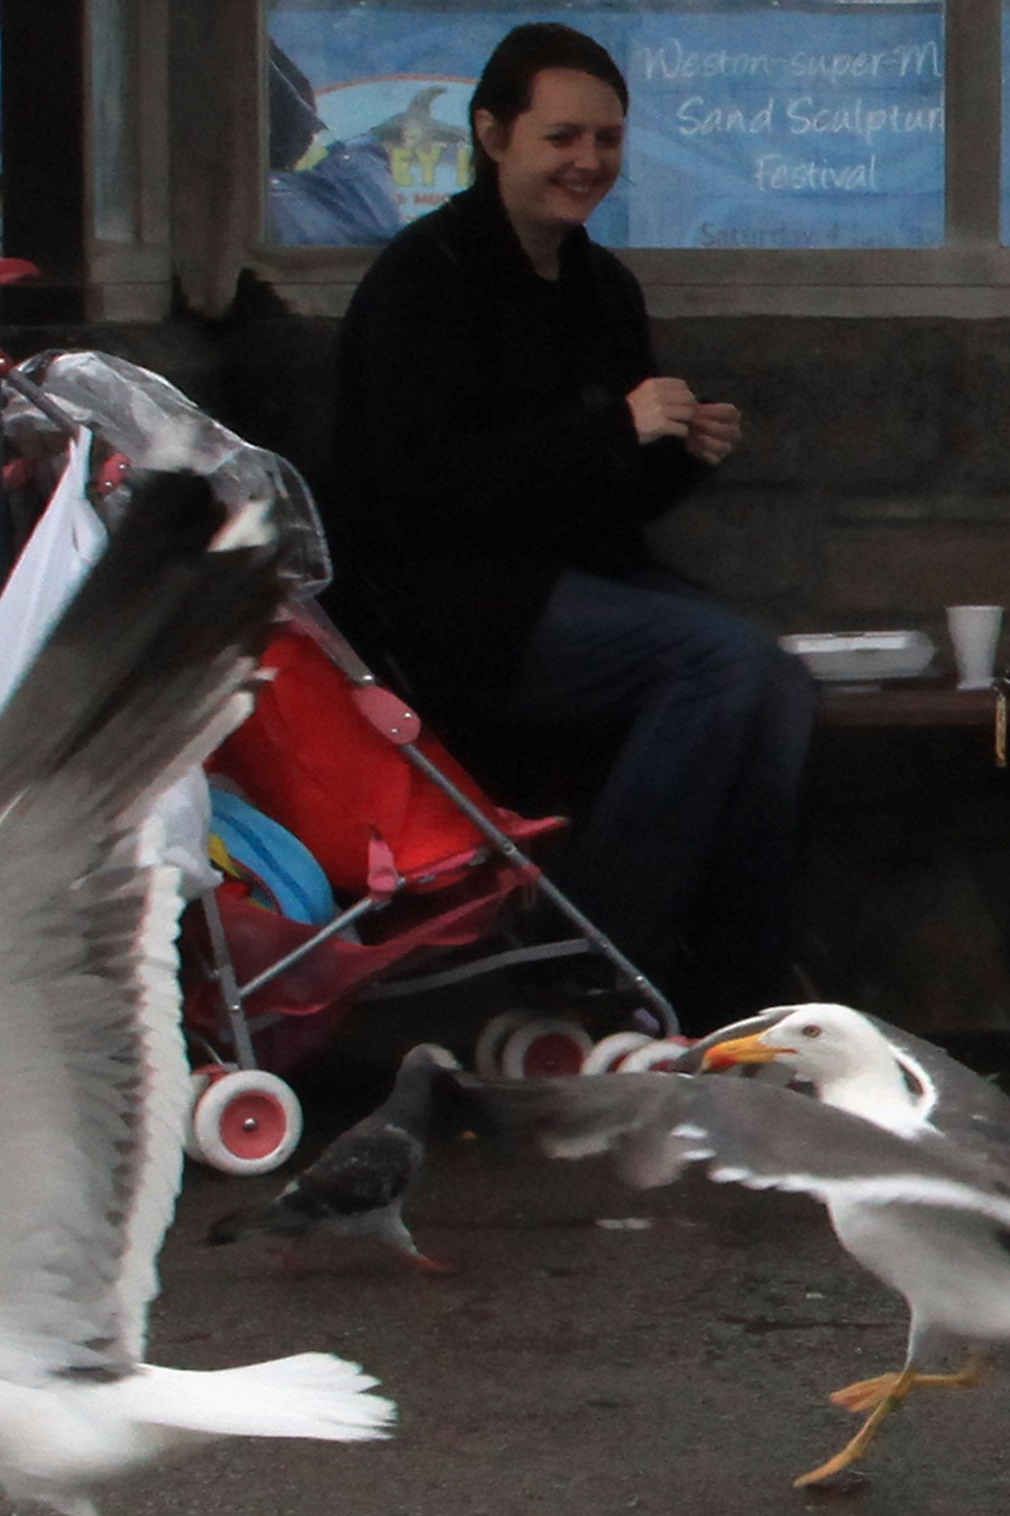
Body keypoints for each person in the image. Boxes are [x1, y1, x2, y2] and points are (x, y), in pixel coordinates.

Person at [328, 22, 814, 1029]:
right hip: (450, 604)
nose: (588, 162)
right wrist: (609, 425)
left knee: (774, 679)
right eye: (561, 138)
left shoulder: (600, 286)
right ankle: (586, 950)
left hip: (581, 584)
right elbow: (425, 483)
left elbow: (608, 493)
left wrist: (674, 453)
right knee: (719, 664)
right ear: (492, 133)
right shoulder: (426, 279)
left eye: (607, 139)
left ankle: (736, 979)